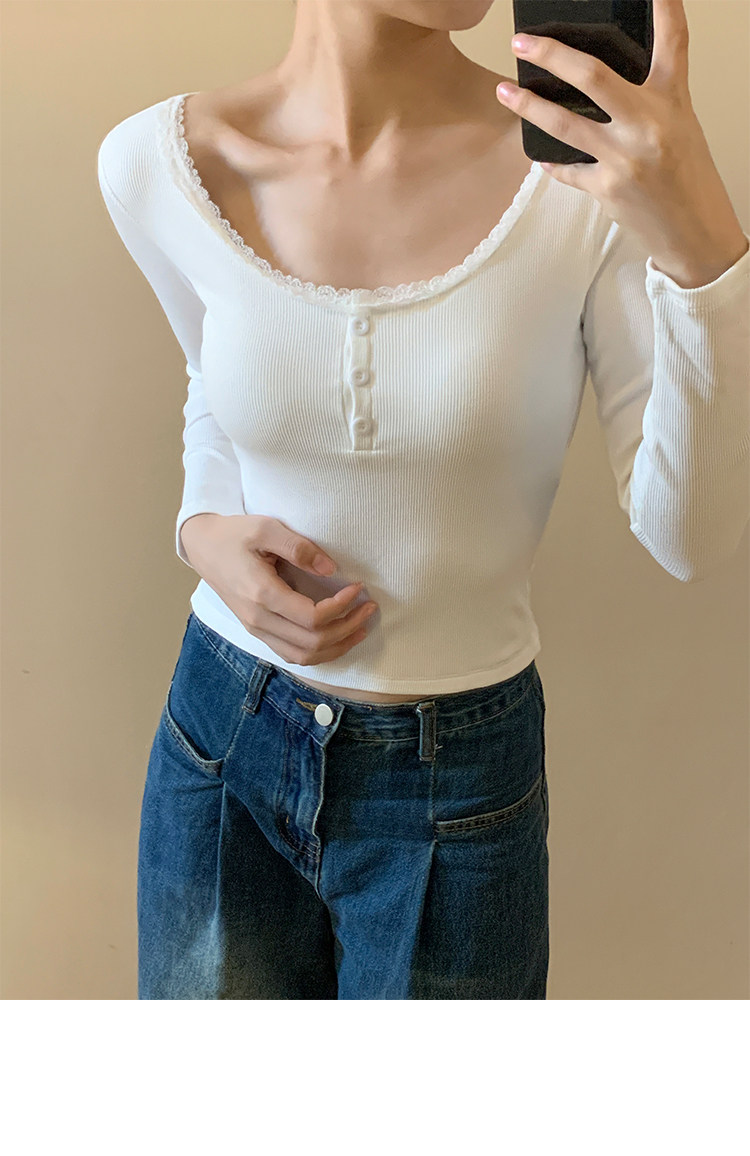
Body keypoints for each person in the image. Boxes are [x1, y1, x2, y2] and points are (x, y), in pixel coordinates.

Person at [97, 0, 750, 999]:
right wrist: (200, 529)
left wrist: (703, 250)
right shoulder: (158, 165)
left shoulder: (583, 173)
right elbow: (218, 384)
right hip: (223, 734)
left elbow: (689, 539)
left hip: (461, 785)